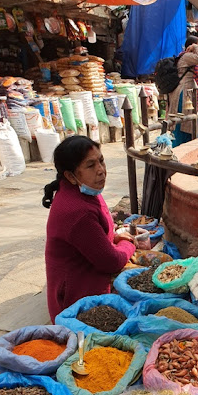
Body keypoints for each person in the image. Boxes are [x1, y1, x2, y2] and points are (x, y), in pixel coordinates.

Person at [43, 136, 136, 322]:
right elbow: (111, 262)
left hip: (83, 277)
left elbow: (97, 235)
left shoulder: (82, 190)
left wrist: (114, 239)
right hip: (75, 303)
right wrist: (127, 243)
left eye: (101, 161)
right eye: (90, 165)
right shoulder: (78, 212)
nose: (101, 170)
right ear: (70, 175)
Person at [168, 35, 198, 146]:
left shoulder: (185, 57)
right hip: (184, 94)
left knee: (189, 123)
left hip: (186, 92)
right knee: (185, 125)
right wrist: (195, 47)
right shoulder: (186, 57)